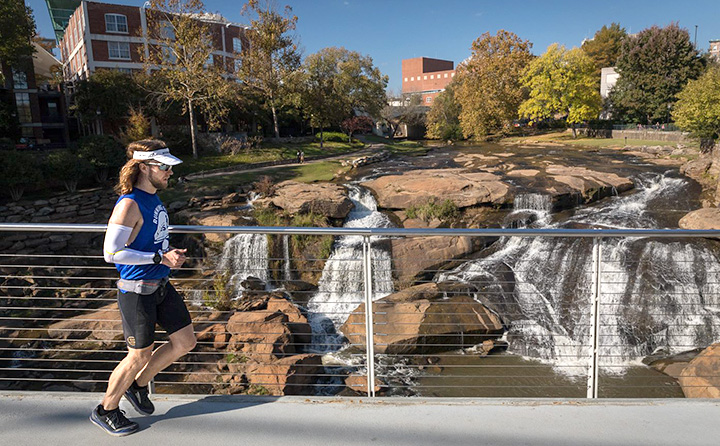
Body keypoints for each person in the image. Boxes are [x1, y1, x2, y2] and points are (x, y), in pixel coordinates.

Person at [90, 140, 196, 436]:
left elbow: (149, 240)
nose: (169, 172)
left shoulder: (154, 199)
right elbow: (110, 254)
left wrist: (167, 252)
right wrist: (159, 256)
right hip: (136, 290)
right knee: (138, 355)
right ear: (143, 167)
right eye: (164, 167)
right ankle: (106, 409)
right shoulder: (129, 204)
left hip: (160, 283)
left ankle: (137, 386)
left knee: (185, 342)